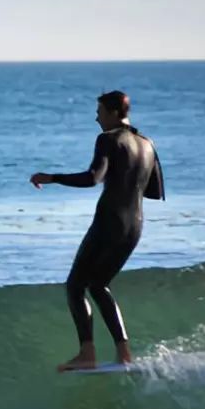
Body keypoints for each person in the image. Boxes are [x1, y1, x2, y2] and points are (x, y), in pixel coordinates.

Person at [29, 90, 165, 372]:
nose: (96, 117)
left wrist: (52, 177)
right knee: (99, 284)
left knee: (76, 286)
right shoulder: (148, 143)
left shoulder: (108, 139)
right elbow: (155, 191)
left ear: (115, 113)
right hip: (135, 226)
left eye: (100, 111)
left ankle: (86, 353)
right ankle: (124, 352)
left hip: (109, 222)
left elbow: (94, 178)